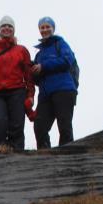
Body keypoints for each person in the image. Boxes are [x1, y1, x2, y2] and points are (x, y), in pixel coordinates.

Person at [0, 16, 34, 152]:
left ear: (14, 30)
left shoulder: (22, 50)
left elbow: (28, 75)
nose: (7, 28)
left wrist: (30, 94)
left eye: (10, 26)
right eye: (4, 26)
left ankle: (17, 155)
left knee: (17, 125)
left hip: (17, 91)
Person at [32, 17, 79, 149]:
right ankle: (45, 155)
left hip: (64, 89)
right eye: (42, 27)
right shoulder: (39, 54)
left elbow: (66, 61)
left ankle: (67, 157)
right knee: (39, 126)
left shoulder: (61, 44)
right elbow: (38, 79)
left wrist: (43, 66)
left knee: (64, 125)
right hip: (45, 94)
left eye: (48, 27)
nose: (45, 29)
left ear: (53, 29)